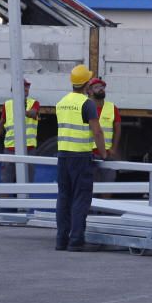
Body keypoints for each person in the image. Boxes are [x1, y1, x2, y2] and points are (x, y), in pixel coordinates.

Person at [55, 64, 106, 252]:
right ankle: (76, 241)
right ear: (86, 84)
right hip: (81, 157)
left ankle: (61, 240)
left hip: (63, 155)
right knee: (80, 199)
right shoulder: (87, 104)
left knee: (63, 197)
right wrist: (104, 153)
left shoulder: (61, 102)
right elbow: (97, 132)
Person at [0, 79, 40, 183]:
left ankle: (25, 199)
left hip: (28, 149)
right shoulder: (7, 105)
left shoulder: (34, 103)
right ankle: (5, 199)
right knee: (6, 181)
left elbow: (33, 113)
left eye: (27, 87)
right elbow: (2, 123)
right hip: (10, 149)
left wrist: (23, 110)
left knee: (27, 182)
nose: (26, 89)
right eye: (24, 87)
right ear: (15, 90)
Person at [87, 77, 121, 183]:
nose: (101, 89)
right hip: (89, 153)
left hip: (107, 154)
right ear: (90, 91)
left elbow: (118, 129)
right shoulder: (85, 107)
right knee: (90, 186)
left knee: (108, 183)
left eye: (102, 87)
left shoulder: (112, 108)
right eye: (97, 87)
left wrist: (114, 148)